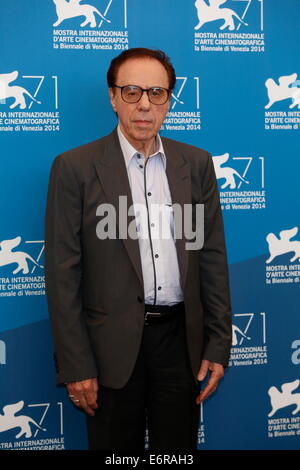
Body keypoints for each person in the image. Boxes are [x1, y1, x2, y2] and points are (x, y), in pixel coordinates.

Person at [44, 47, 232, 451]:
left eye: (157, 93)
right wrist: (76, 364)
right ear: (113, 97)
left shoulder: (195, 164)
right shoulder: (75, 168)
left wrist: (218, 344)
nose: (144, 104)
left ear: (169, 100)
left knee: (177, 454)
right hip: (109, 350)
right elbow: (63, 276)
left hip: (181, 347)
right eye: (131, 91)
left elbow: (210, 257)